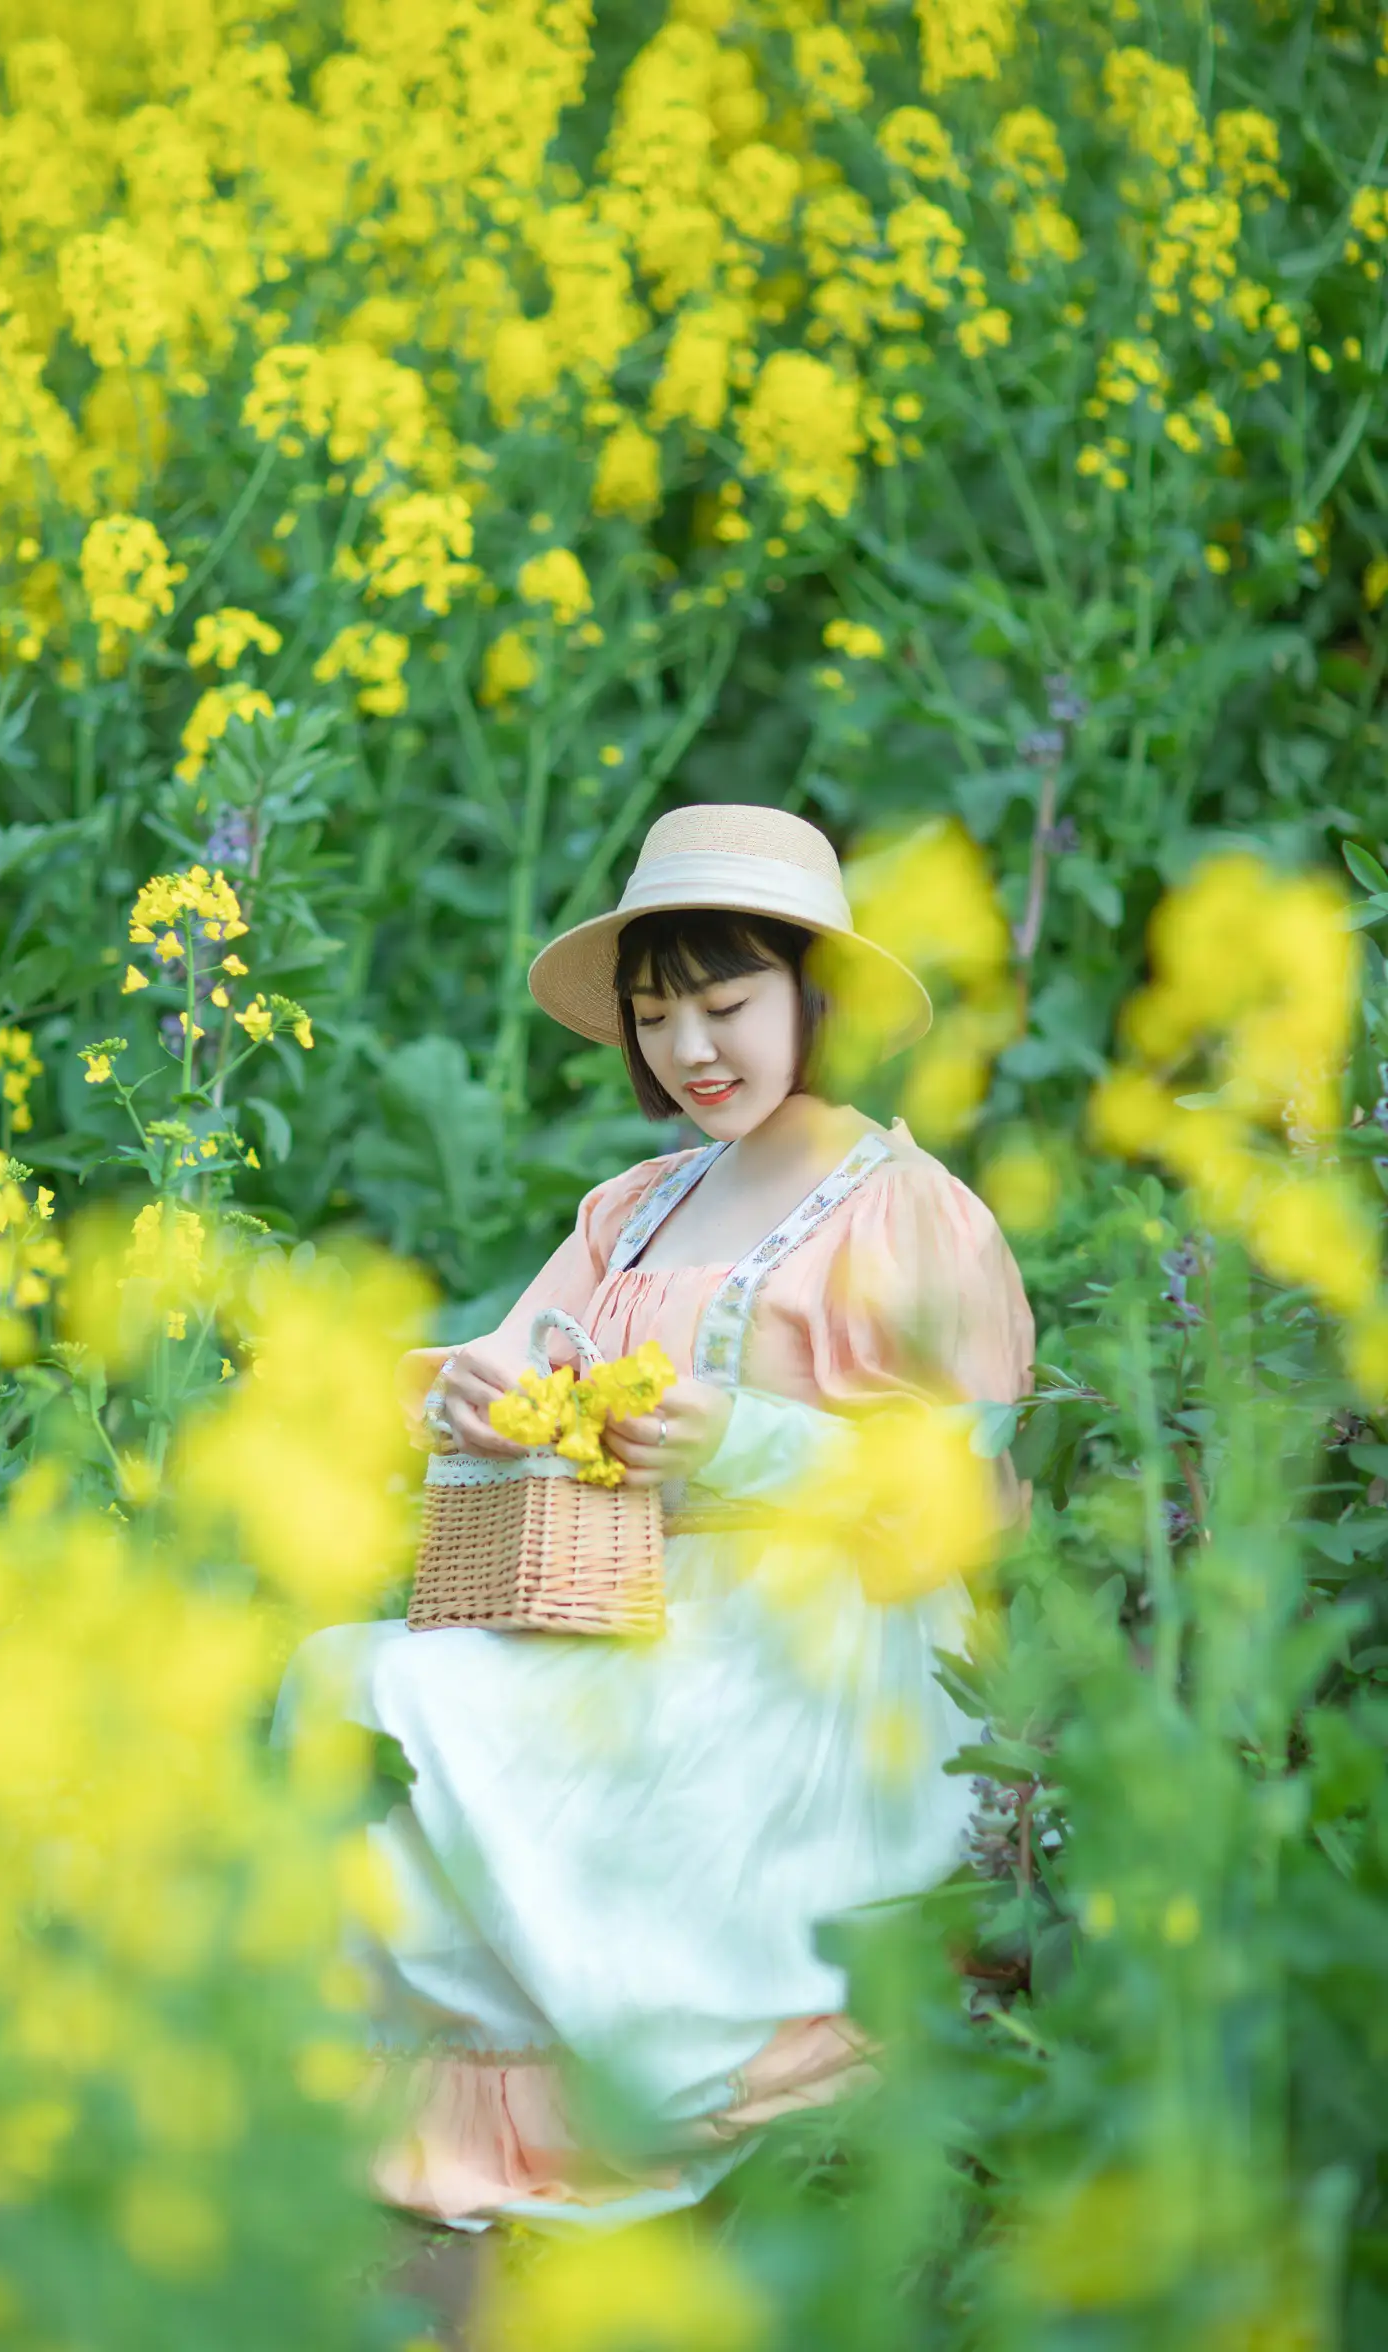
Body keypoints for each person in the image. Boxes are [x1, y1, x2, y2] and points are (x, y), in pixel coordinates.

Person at [275, 803, 1035, 2229]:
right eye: (656, 1015)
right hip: (620, 1597)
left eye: (729, 1005)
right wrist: (476, 1396)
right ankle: (406, 2107)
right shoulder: (632, 1204)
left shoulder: (910, 1209)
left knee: (447, 1720)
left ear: (819, 1002)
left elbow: (967, 1491)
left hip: (819, 1643)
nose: (693, 1050)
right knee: (349, 1679)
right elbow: (524, 1350)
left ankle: (642, 2079)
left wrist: (742, 1442)